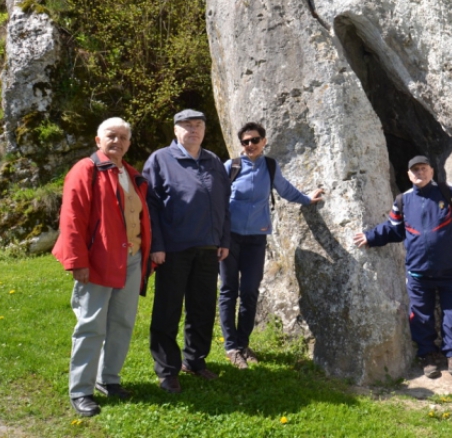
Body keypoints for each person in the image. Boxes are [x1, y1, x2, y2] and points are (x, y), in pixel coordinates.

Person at [353, 155, 452, 379]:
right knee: (421, 316)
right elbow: (392, 228)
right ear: (408, 174)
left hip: (449, 270)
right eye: (414, 170)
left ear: (431, 171)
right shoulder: (403, 201)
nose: (419, 173)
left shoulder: (447, 192)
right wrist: (370, 237)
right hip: (417, 273)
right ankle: (428, 356)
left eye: (423, 169)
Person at [53, 118, 152, 417]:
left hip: (131, 260)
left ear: (129, 144)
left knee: (122, 322)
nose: (117, 141)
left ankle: (108, 379)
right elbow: (72, 219)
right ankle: (81, 391)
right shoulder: (86, 169)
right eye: (111, 136)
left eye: (123, 137)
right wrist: (77, 262)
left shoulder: (131, 174)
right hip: (97, 262)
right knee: (91, 326)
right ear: (98, 140)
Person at [219, 122, 324, 368]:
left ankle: (243, 343)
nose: (250, 145)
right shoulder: (231, 166)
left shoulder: (270, 166)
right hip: (230, 238)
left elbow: (285, 190)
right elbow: (215, 196)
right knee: (228, 290)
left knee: (249, 291)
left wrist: (308, 199)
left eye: (255, 140)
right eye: (245, 141)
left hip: (256, 238)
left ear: (264, 141)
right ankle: (231, 347)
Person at [142, 109, 231, 393]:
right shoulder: (160, 160)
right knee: (168, 310)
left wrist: (224, 239)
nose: (194, 130)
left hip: (208, 248)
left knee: (203, 308)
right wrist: (156, 245)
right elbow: (150, 207)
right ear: (175, 130)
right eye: (187, 125)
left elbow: (224, 204)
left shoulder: (213, 160)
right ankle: (167, 370)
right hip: (174, 249)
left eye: (199, 125)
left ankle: (195, 361)